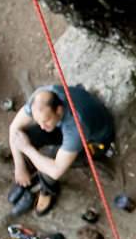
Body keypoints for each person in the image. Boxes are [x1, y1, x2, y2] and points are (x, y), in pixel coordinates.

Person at [8, 84, 115, 215]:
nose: (42, 126)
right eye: (38, 121)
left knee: (50, 157)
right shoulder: (41, 99)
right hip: (60, 126)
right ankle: (27, 172)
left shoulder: (76, 126)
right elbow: (14, 129)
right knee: (27, 134)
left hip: (94, 141)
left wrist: (28, 149)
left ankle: (47, 190)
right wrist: (19, 167)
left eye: (46, 120)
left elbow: (56, 170)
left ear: (58, 110)